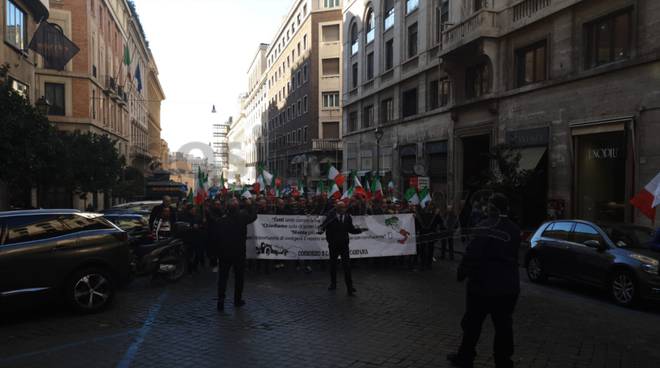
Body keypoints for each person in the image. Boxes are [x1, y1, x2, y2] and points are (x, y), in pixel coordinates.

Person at [448, 194, 521, 368]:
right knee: (504, 326)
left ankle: (465, 357)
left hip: (482, 286)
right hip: (508, 287)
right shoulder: (514, 229)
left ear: (491, 208)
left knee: (472, 324)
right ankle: (503, 361)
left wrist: (462, 272)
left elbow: (472, 253)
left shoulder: (484, 226)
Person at [216, 197, 257, 311]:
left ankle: (221, 300)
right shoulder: (242, 217)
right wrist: (250, 205)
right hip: (238, 252)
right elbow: (253, 216)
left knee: (223, 277)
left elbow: (217, 238)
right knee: (239, 277)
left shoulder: (221, 220)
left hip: (224, 253)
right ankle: (237, 300)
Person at [318, 201, 363, 296]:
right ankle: (333, 283)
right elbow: (322, 227)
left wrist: (359, 230)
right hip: (333, 245)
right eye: (341, 208)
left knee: (347, 266)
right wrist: (322, 232)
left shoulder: (347, 217)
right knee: (333, 265)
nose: (343, 209)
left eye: (344, 207)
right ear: (337, 208)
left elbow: (350, 229)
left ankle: (350, 287)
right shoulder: (331, 217)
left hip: (344, 245)